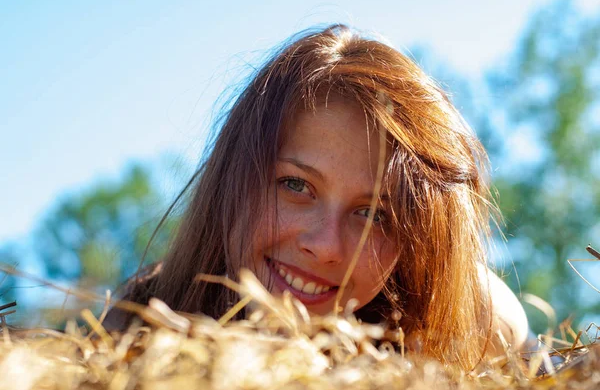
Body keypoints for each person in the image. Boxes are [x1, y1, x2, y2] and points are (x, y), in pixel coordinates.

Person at [104, 24, 528, 370]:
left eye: (374, 214)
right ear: (232, 179)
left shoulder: (472, 325)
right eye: (296, 186)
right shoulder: (142, 320)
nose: (325, 246)